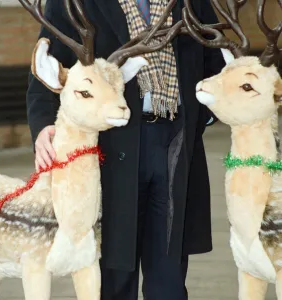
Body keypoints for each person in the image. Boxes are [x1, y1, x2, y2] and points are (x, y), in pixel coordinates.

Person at [26, 0, 225, 299]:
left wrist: (203, 115)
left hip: (176, 142)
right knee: (115, 272)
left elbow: (214, 62)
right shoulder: (71, 3)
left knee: (169, 275)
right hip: (111, 148)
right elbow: (46, 74)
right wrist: (43, 126)